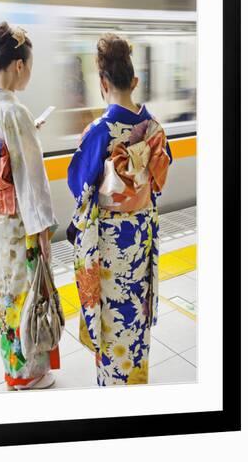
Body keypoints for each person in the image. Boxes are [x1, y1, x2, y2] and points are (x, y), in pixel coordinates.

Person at [66, 33, 173, 386]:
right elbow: (158, 179)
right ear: (135, 80)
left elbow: (79, 185)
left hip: (111, 244)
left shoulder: (99, 131)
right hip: (141, 234)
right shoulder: (155, 128)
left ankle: (114, 387)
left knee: (113, 317)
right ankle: (137, 377)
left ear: (102, 82)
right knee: (136, 309)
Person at [0, 21, 59, 390]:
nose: (29, 75)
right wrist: (42, 231)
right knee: (27, 292)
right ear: (18, 65)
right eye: (30, 67)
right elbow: (31, 180)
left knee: (6, 290)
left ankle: (10, 366)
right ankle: (28, 373)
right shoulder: (15, 111)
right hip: (20, 222)